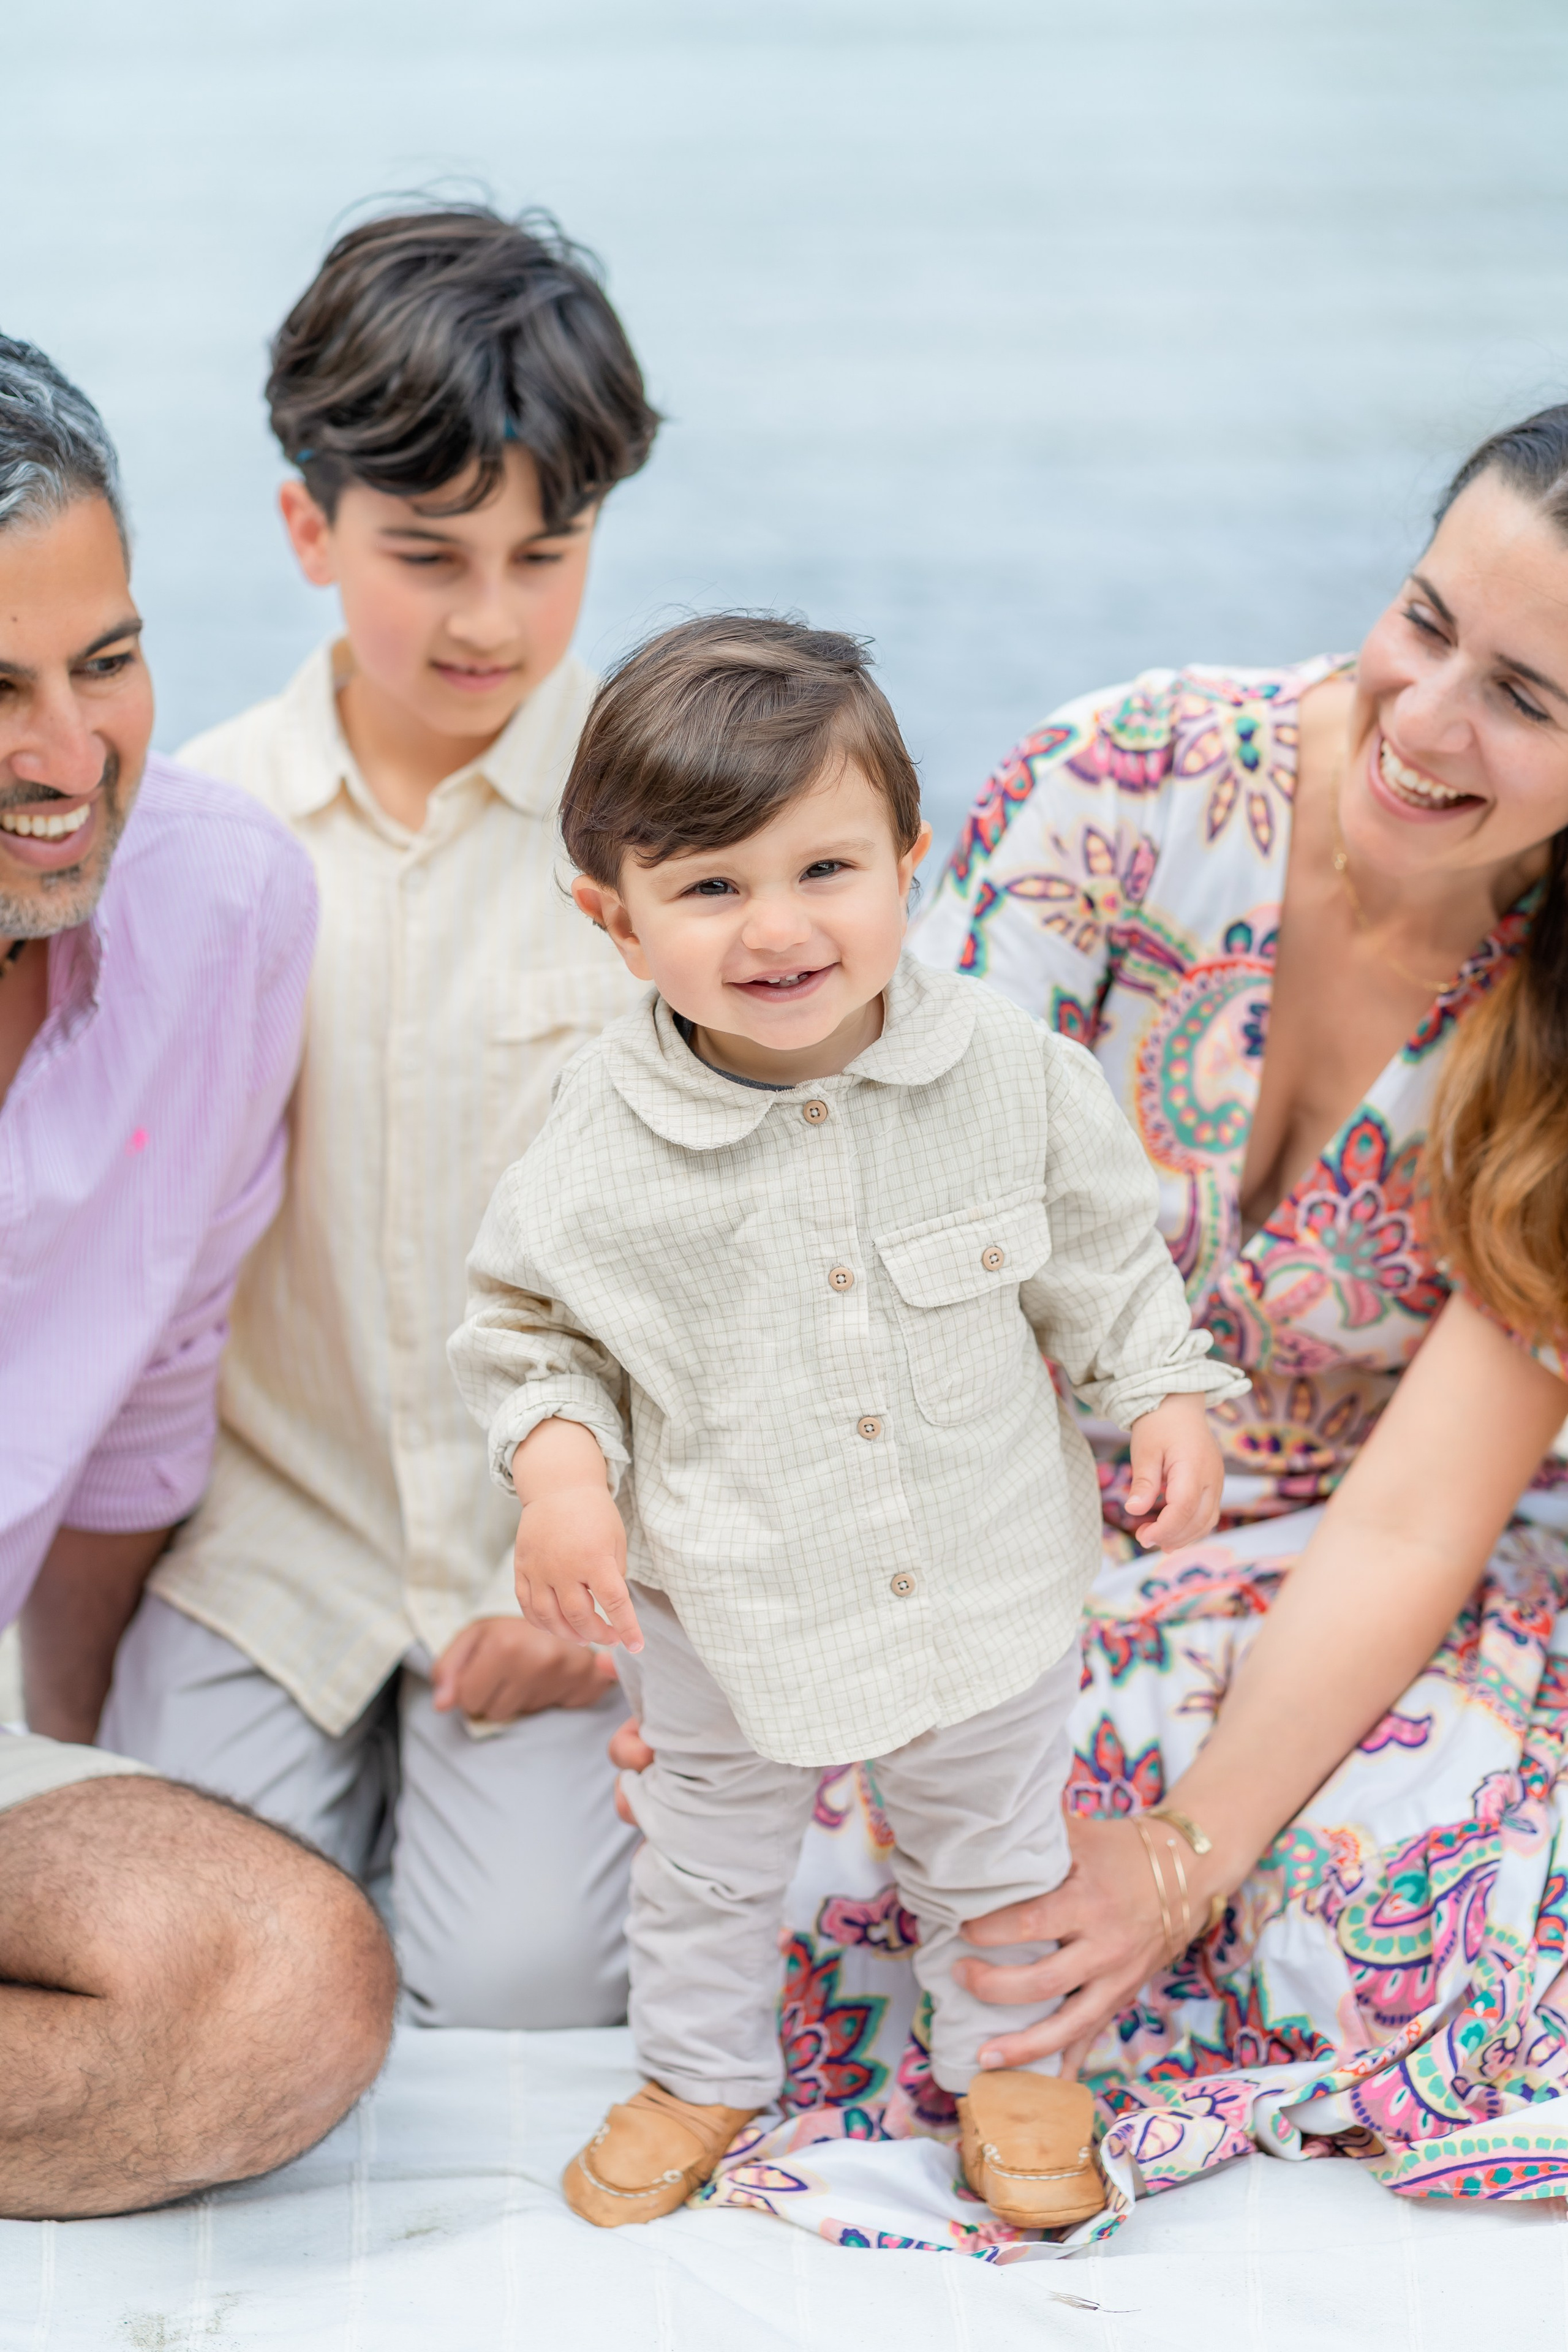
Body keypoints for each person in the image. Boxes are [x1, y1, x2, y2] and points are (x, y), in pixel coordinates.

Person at [654, 401, 1568, 2247]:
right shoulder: (1122, 784)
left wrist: (1181, 1859)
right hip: (984, 1512)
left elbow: (1413, 1513)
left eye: (1527, 699)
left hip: (1361, 1558)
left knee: (1378, 1911)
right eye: (1423, 620)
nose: (1425, 717)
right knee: (831, 1873)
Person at [448, 612, 1247, 2231]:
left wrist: (1160, 1391)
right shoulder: (600, 1145)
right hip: (724, 1596)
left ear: (909, 858)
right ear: (618, 922)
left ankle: (1013, 2057)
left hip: (982, 1564)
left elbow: (1100, 1260)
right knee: (705, 1855)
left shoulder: (1013, 1080)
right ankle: (699, 2067)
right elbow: (532, 1337)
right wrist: (561, 1484)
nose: (779, 928)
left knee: (994, 1839)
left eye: (825, 870)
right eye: (710, 887)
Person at [96, 205, 660, 2031]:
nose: (491, 615)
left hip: (568, 1555)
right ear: (308, 528)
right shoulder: (190, 833)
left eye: (545, 551)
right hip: (277, 1543)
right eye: (428, 553)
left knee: (521, 1992)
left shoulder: (675, 836)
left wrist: (631, 1566)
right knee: (190, 1971)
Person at [0, 334, 396, 2220]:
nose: (68, 762)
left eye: (107, 664)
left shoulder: (223, 906)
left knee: (290, 1989)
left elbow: (137, 1437)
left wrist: (53, 1775)